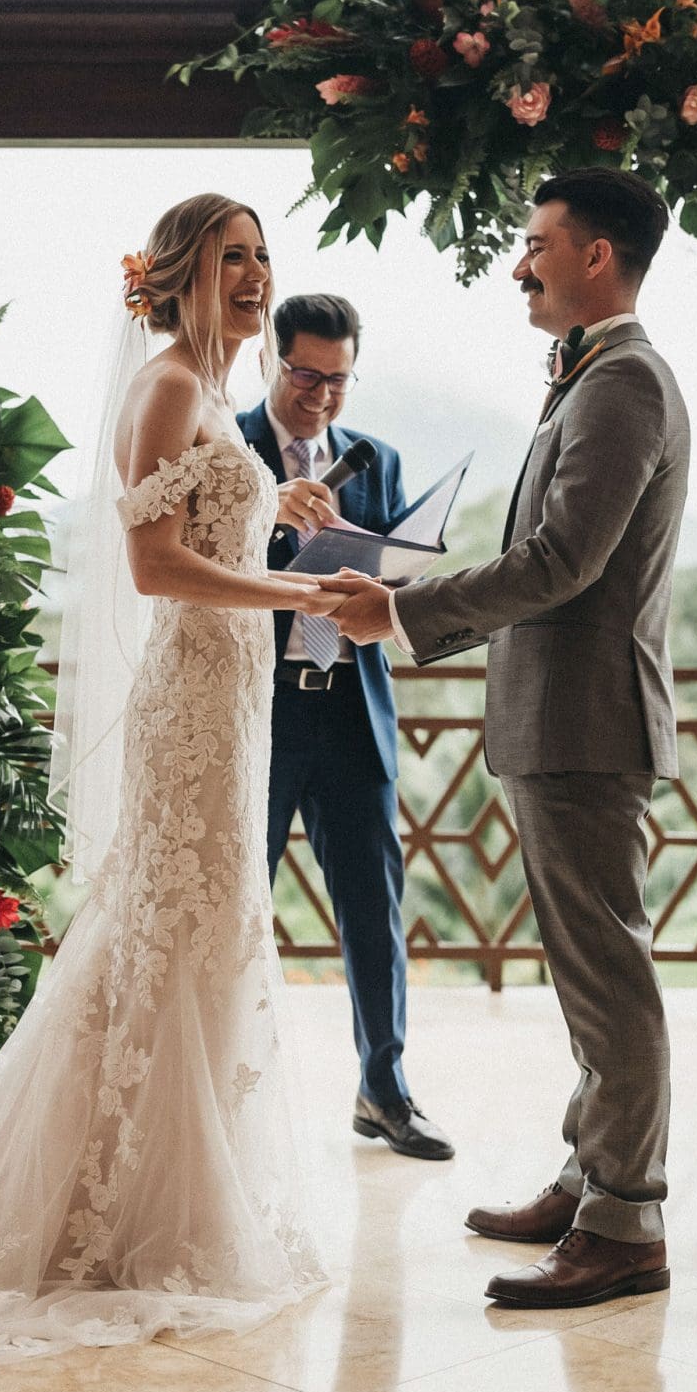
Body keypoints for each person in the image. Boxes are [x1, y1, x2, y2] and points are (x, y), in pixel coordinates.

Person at [0, 194, 343, 1392]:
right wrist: (302, 593)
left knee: (199, 929)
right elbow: (155, 566)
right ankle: (123, 1205)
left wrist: (273, 512)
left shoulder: (208, 391)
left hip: (231, 697)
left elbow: (205, 529)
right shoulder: (169, 384)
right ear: (176, 276)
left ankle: (168, 1183)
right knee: (169, 924)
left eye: (261, 256)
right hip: (194, 699)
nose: (253, 276)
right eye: (229, 258)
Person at [331, 168, 690, 1307]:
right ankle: (591, 1181)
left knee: (609, 977)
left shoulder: (623, 382)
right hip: (563, 721)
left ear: (596, 255)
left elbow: (561, 561)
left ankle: (625, 1226)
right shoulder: (595, 375)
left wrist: (399, 610)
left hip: (588, 723)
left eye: (536, 243)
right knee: (590, 974)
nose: (519, 264)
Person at [237, 295, 454, 1160]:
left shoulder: (379, 460)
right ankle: (229, 1091)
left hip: (351, 707)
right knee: (238, 903)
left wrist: (399, 575)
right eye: (306, 375)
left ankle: (385, 1090)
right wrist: (275, 523)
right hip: (258, 710)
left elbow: (389, 583)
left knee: (373, 906)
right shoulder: (231, 449)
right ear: (272, 360)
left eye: (339, 379)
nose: (322, 396)